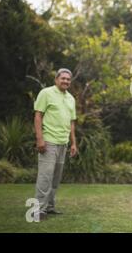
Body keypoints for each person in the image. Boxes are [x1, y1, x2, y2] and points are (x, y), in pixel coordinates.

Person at [33, 68, 78, 221]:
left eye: (68, 79)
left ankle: (50, 207)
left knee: (55, 178)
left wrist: (73, 143)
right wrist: (40, 139)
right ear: (56, 79)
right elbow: (38, 116)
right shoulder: (46, 93)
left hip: (63, 142)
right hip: (49, 141)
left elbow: (72, 122)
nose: (65, 81)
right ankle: (38, 210)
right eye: (63, 78)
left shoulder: (71, 98)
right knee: (45, 176)